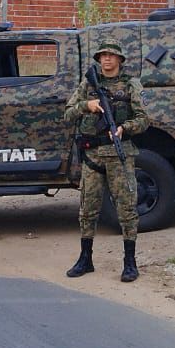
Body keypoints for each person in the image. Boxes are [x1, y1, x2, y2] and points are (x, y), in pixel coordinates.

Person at [63, 41, 151, 282]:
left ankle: (130, 262)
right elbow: (68, 113)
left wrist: (124, 128)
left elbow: (144, 119)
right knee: (88, 209)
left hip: (119, 155)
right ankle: (85, 258)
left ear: (120, 59)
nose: (107, 60)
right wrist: (87, 105)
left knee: (126, 208)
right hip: (92, 155)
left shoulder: (131, 84)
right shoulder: (88, 83)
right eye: (103, 56)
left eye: (112, 56)